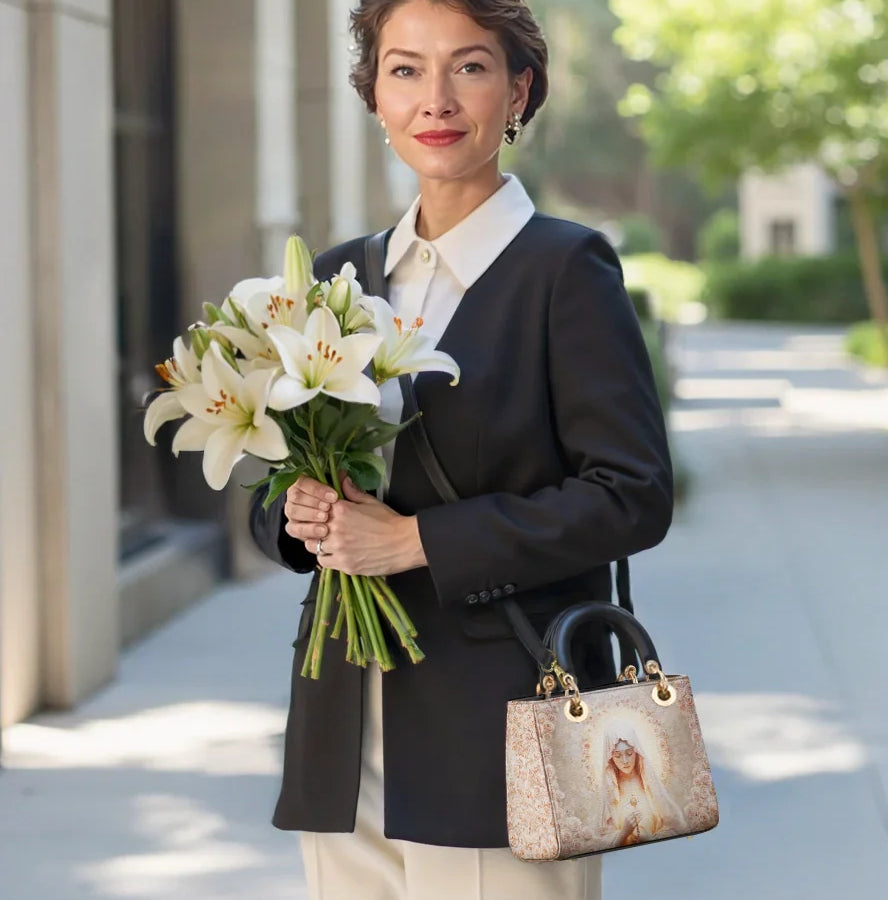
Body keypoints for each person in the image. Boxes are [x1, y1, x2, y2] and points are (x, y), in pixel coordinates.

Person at [249, 1, 673, 897]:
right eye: (405, 69)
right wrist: (298, 517)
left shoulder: (565, 270)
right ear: (374, 96)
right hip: (341, 727)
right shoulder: (336, 277)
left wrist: (417, 543)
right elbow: (276, 477)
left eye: (469, 67)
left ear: (519, 89)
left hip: (501, 728)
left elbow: (631, 494)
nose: (435, 98)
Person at [596, 720, 687, 849]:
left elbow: (678, 827)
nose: (625, 761)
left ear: (637, 752)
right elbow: (601, 841)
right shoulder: (610, 791)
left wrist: (651, 838)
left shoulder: (650, 783)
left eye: (629, 753)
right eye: (618, 756)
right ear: (610, 758)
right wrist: (623, 833)